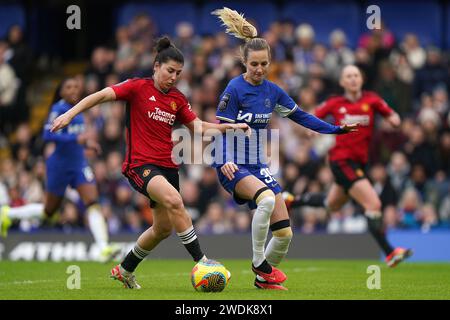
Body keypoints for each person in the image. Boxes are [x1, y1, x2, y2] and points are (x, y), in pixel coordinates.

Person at [50, 37, 250, 289]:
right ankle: (203, 261)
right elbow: (101, 96)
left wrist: (229, 127)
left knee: (162, 229)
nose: (174, 77)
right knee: (176, 201)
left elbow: (198, 127)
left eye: (178, 73)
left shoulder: (177, 98)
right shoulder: (136, 87)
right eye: (169, 71)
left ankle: (125, 269)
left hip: (168, 167)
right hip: (140, 165)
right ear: (156, 66)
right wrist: (69, 114)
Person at [211, 8, 357, 290]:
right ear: (244, 61)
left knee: (284, 234)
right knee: (266, 200)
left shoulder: (272, 91)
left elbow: (301, 116)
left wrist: (335, 129)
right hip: (231, 163)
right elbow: (222, 130)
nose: (259, 69)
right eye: (254, 64)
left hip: (256, 164)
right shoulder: (234, 89)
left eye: (264, 63)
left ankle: (262, 281)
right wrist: (226, 158)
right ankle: (258, 263)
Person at [283, 65, 413, 267]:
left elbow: (391, 114)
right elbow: (314, 114)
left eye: (356, 75)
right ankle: (390, 253)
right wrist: (312, 129)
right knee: (373, 204)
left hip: (359, 162)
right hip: (341, 160)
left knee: (332, 203)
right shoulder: (335, 103)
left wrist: (394, 119)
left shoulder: (372, 100)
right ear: (342, 82)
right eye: (348, 76)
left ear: (361, 79)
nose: (352, 79)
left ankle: (291, 201)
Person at [0, 77, 120, 263]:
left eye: (75, 87)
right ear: (61, 91)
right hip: (59, 166)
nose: (73, 90)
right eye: (68, 87)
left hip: (79, 163)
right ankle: (9, 213)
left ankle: (103, 247)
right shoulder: (58, 109)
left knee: (92, 202)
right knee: (49, 212)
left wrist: (88, 143)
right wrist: (77, 140)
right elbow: (48, 134)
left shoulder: (78, 110)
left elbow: (75, 135)